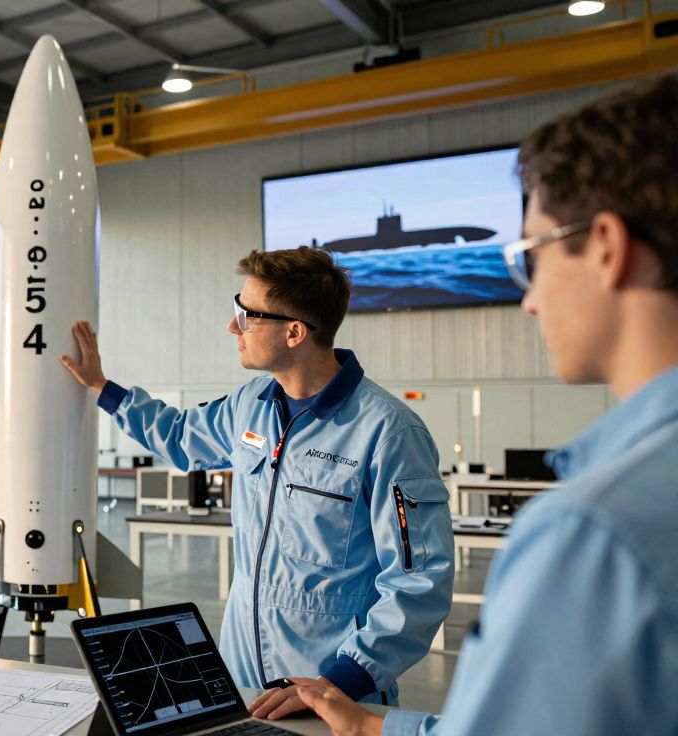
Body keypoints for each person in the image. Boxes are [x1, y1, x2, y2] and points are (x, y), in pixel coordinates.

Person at [286, 73, 678, 735]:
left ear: (607, 248)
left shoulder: (592, 536)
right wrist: (378, 727)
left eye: (532, 255)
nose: (529, 297)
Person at [60, 246, 454, 716]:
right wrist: (104, 388)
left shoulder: (387, 432)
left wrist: (341, 681)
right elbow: (181, 436)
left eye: (248, 315)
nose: (234, 326)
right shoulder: (252, 404)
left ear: (294, 332)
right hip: (243, 673)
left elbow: (419, 582)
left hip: (333, 689)